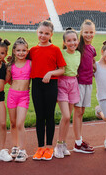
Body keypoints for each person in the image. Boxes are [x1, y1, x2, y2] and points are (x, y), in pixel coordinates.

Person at [30, 20, 66, 161]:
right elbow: (20, 59)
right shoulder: (32, 50)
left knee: (49, 116)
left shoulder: (55, 49)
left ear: (51, 34)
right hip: (36, 85)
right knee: (39, 117)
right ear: (37, 32)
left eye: (46, 33)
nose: (43, 35)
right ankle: (40, 148)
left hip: (51, 85)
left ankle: (49, 147)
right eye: (41, 32)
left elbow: (62, 69)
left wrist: (50, 73)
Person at [54, 28, 81, 159]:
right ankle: (58, 145)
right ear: (64, 42)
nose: (72, 43)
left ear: (78, 40)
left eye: (74, 40)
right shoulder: (61, 53)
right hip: (62, 84)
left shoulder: (78, 54)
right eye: (69, 41)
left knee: (68, 117)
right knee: (65, 115)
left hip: (73, 84)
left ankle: (63, 143)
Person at [73, 20, 96, 153]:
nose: (89, 34)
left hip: (88, 83)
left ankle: (79, 140)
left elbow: (93, 65)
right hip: (79, 83)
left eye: (91, 32)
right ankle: (77, 142)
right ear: (81, 32)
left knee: (81, 112)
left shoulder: (92, 49)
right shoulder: (77, 46)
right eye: (86, 32)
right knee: (77, 112)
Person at [7, 37, 31, 162]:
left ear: (27, 51)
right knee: (12, 123)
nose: (21, 53)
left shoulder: (30, 63)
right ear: (14, 51)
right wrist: (6, 66)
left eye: (24, 50)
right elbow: (7, 80)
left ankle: (23, 150)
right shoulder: (11, 65)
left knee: (20, 123)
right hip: (12, 95)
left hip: (24, 96)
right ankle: (15, 146)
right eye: (18, 50)